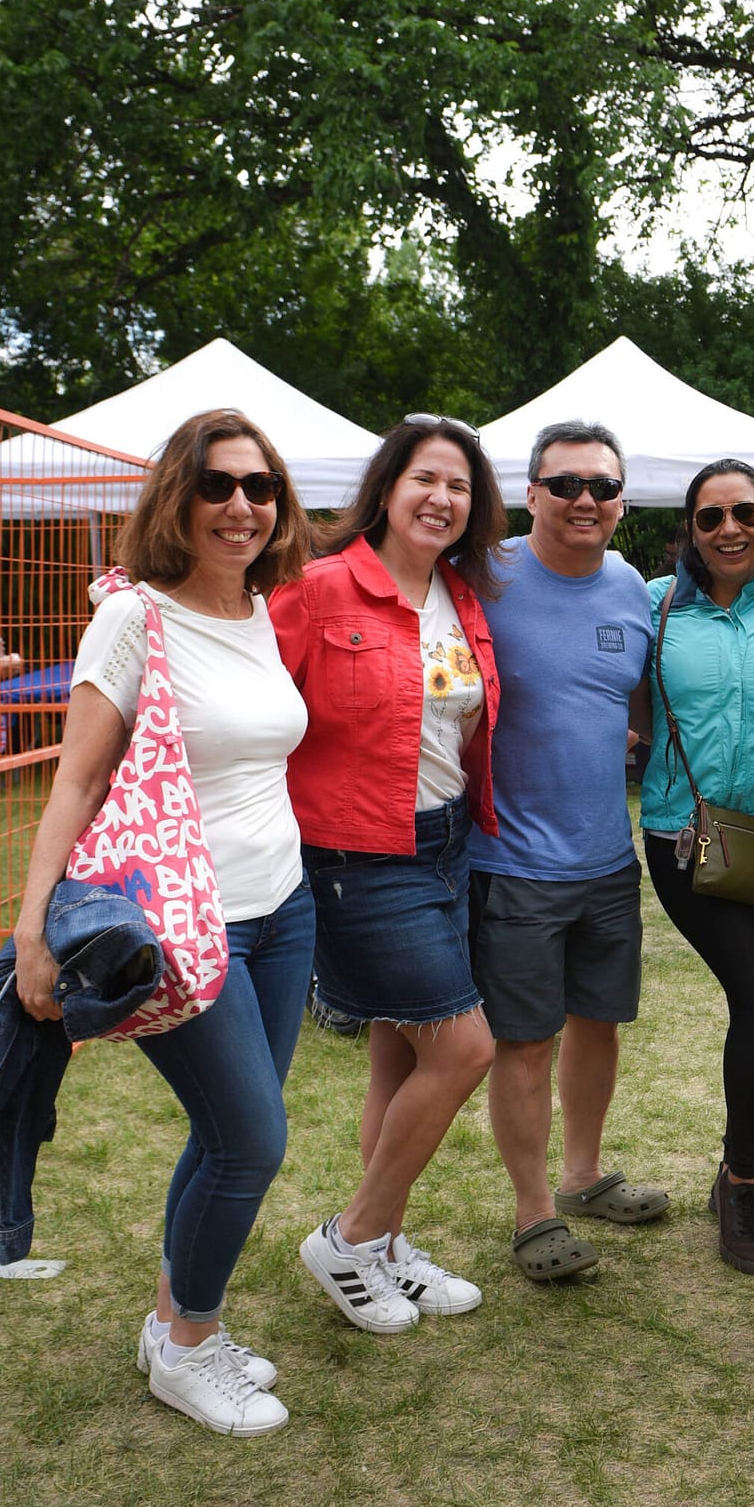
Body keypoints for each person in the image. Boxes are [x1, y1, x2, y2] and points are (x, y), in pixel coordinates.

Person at [14, 410, 314, 1436]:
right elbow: (76, 780)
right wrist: (33, 930)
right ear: (177, 498)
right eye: (217, 485)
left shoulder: (259, 608)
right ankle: (189, 1347)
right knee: (251, 1141)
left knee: (227, 1130)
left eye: (260, 487)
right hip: (186, 926)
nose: (241, 507)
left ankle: (173, 1324)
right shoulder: (133, 618)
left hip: (284, 909)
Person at [270, 416, 502, 1334]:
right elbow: (250, 694)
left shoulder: (461, 596)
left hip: (446, 844)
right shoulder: (320, 588)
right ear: (387, 488)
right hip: (357, 854)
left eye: (460, 486)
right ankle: (352, 1237)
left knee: (399, 1055)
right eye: (425, 479)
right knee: (465, 1048)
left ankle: (388, 1246)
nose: (441, 498)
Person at [470, 421, 667, 1281]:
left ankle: (584, 1176)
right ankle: (533, 1214)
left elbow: (637, 700)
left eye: (603, 486)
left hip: (606, 860)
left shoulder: (631, 588)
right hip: (511, 862)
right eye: (566, 484)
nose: (585, 500)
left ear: (621, 501)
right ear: (530, 492)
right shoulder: (483, 575)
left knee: (599, 1022)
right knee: (524, 1041)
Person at [638, 459, 754, 1275]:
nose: (729, 529)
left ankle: (731, 1170)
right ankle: (743, 1180)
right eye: (710, 517)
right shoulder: (654, 603)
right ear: (691, 529)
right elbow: (625, 697)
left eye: (744, 512)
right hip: (685, 836)